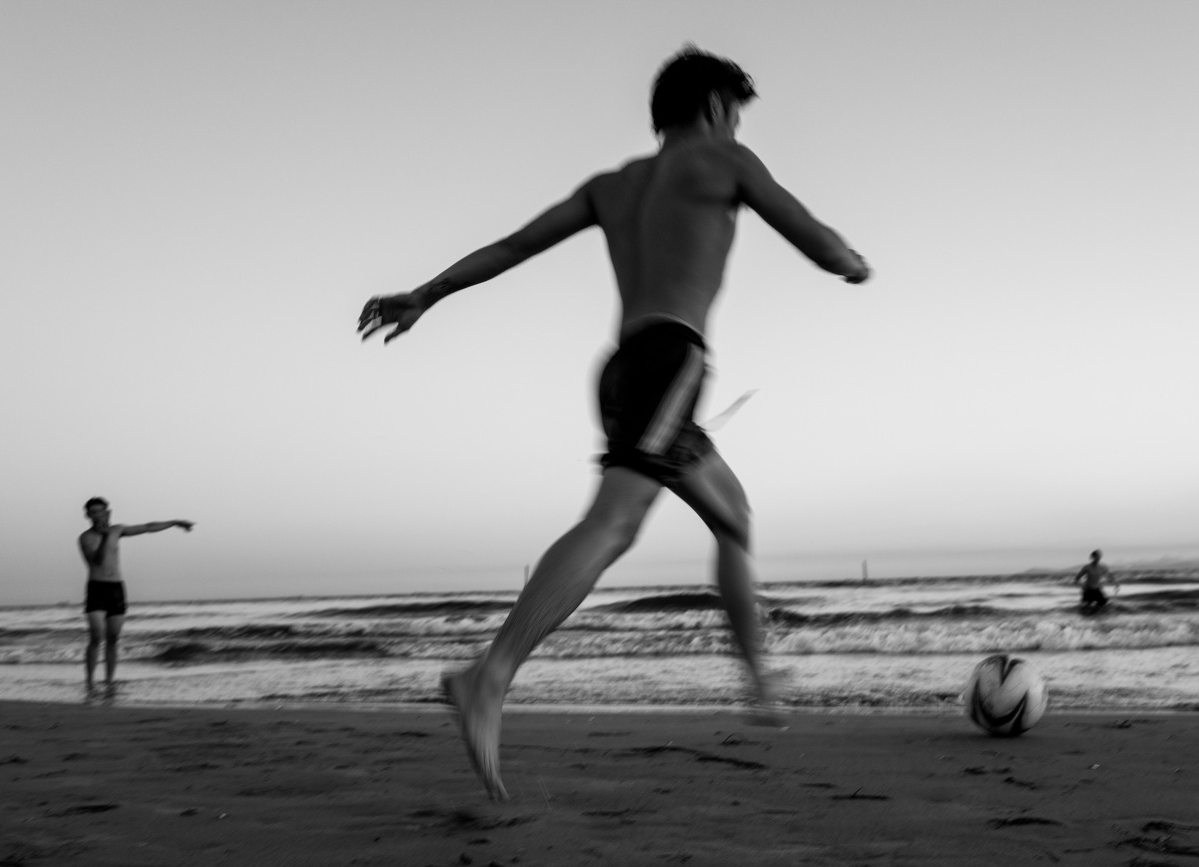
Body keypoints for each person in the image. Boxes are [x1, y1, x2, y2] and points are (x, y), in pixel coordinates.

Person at [358, 47, 870, 800]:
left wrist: (426, 294)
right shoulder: (728, 161)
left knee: (733, 517)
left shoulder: (614, 185)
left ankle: (759, 680)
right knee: (615, 522)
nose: (737, 126)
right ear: (715, 106)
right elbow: (817, 241)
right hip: (671, 363)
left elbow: (513, 247)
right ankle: (488, 675)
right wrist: (852, 262)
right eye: (735, 112)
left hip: (628, 366)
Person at [77, 497, 194, 690]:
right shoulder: (85, 538)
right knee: (96, 636)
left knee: (113, 638)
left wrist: (175, 522)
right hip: (96, 588)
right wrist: (105, 537)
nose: (97, 515)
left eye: (100, 511)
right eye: (93, 512)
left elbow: (148, 527)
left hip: (116, 588)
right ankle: (89, 681)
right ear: (87, 515)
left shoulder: (117, 530)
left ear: (107, 512)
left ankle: (109, 681)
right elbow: (97, 561)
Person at [1074, 549, 1119, 615]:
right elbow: (1077, 578)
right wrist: (1082, 586)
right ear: (1093, 557)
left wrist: (1116, 584)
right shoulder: (1087, 567)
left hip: (1097, 589)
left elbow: (1109, 576)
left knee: (1103, 602)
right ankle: (1087, 616)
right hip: (1088, 590)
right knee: (1085, 607)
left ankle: (1095, 614)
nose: (1098, 558)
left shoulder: (1102, 567)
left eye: (1099, 556)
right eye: (1096, 556)